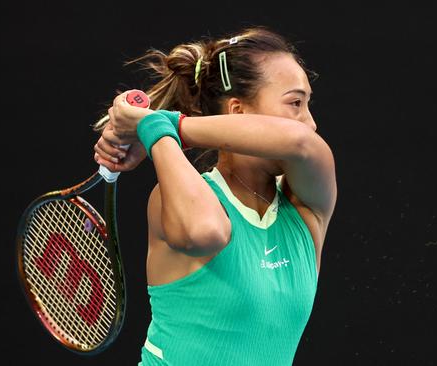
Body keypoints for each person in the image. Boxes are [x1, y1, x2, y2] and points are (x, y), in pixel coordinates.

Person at [92, 26, 337, 365]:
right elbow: (203, 232)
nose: (309, 122)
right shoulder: (175, 196)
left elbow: (301, 143)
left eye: (308, 104)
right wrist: (155, 132)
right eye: (295, 103)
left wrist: (158, 124)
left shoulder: (307, 208)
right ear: (238, 111)